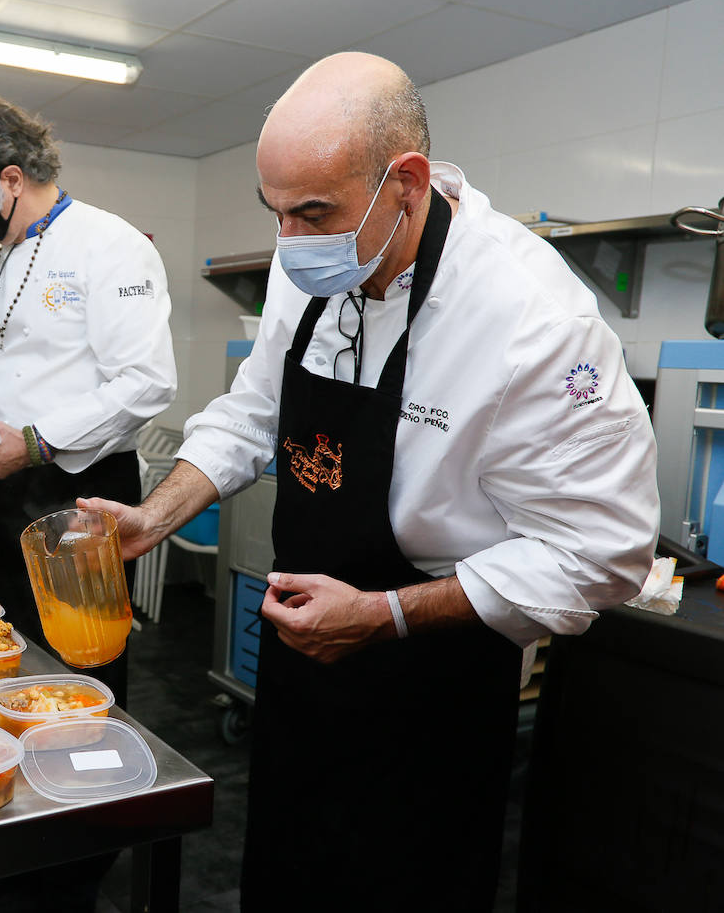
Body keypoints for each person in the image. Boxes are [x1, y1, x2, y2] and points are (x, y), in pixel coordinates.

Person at [84, 53, 659, 912]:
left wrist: (384, 614)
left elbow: (602, 554)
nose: (290, 242)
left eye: (313, 213)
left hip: (433, 681)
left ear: (408, 183)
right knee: (287, 872)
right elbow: (253, 411)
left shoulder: (533, 320)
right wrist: (153, 517)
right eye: (276, 213)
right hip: (304, 662)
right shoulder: (312, 260)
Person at [0, 92, 177, 706]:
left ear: (12, 179)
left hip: (84, 493)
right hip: (9, 487)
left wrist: (36, 443)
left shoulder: (109, 244)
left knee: (83, 664)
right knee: (15, 653)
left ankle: (91, 761)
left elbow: (146, 380)